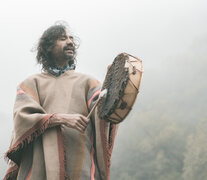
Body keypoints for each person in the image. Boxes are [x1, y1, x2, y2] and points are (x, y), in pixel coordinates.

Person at [4, 23, 118, 180]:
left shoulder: (88, 83)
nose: (70, 42)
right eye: (63, 38)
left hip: (81, 166)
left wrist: (113, 85)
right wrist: (61, 118)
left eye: (71, 38)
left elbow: (106, 115)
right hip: (39, 169)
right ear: (49, 47)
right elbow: (22, 119)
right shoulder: (30, 85)